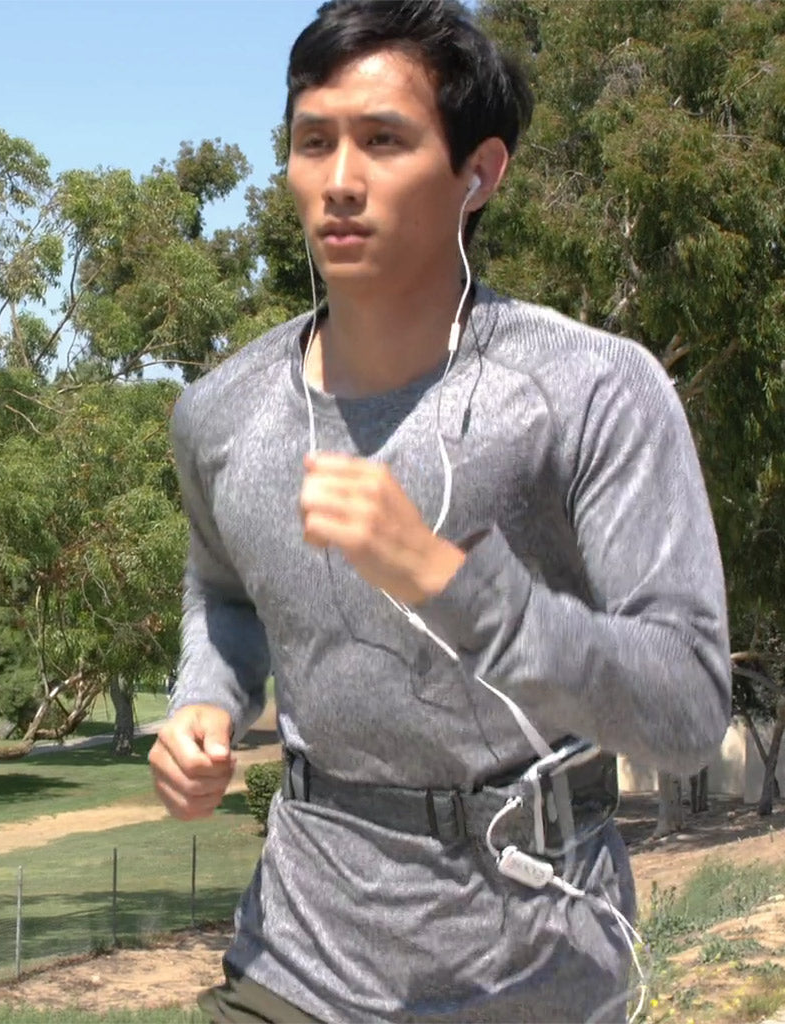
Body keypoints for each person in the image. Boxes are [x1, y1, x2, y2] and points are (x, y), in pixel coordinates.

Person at [148, 2, 732, 1021]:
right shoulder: (220, 413)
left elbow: (684, 711)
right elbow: (223, 594)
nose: (338, 179)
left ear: (479, 173)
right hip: (296, 961)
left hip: (538, 971)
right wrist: (207, 697)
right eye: (312, 140)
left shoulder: (592, 392)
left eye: (383, 140)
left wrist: (456, 587)